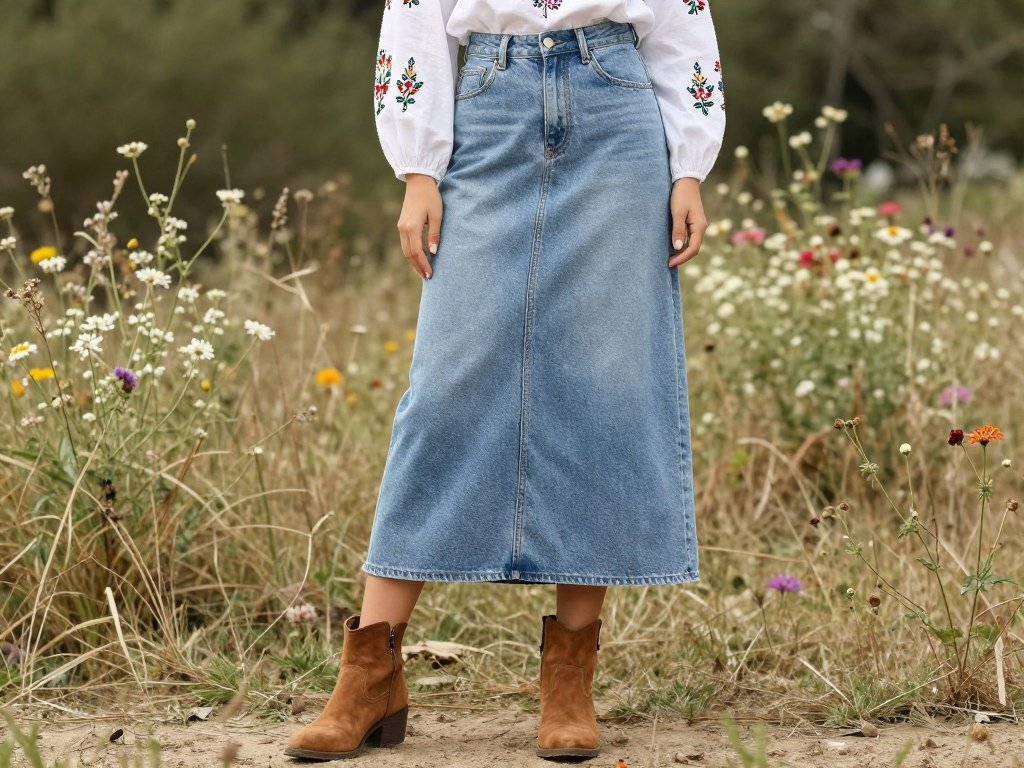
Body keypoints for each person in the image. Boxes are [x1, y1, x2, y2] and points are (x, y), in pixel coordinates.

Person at [286, 0, 725, 761]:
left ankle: (569, 680)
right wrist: (418, 169)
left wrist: (688, 167)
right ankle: (370, 673)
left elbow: (681, 15)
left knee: (602, 387)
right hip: (488, 104)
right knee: (443, 395)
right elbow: (415, 14)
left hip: (617, 112)